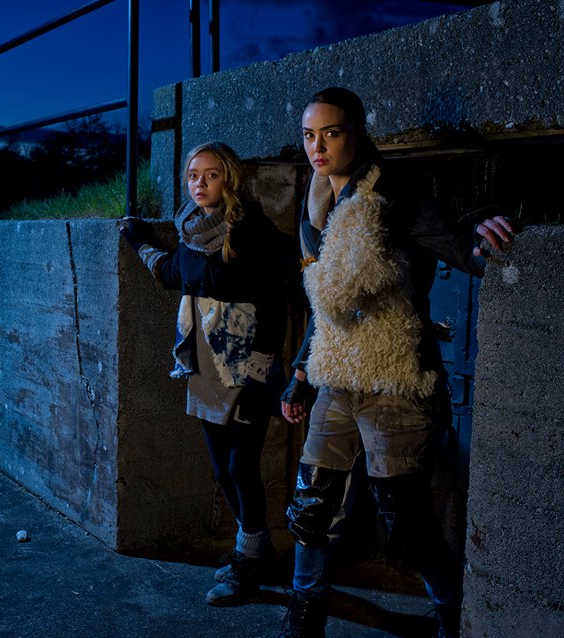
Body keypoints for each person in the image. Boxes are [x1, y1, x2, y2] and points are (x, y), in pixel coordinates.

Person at [278, 87, 514, 638]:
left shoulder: (391, 193)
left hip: (394, 380)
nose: (318, 147)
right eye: (309, 135)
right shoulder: (314, 208)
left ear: (357, 134)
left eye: (331, 133)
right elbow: (323, 307)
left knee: (405, 515)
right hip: (336, 378)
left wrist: (482, 235)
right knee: (312, 505)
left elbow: (454, 242)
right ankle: (305, 615)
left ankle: (452, 612)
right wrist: (299, 376)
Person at [119, 141, 295, 606]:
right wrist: (137, 238)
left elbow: (274, 306)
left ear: (229, 178)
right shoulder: (191, 228)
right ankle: (254, 549)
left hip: (247, 366)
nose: (200, 183)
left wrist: (260, 374)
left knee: (241, 466)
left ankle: (249, 564)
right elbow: (171, 274)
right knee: (222, 468)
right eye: (194, 175)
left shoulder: (250, 230)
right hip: (204, 362)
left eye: (211, 175)